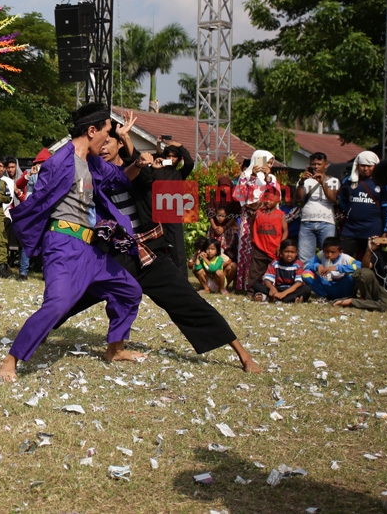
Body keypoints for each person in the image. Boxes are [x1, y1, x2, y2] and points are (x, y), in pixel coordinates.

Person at [39, 113, 261, 375]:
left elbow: (144, 176)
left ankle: (242, 354)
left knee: (189, 301)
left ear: (120, 143)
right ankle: (42, 332)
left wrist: (133, 149)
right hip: (117, 256)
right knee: (76, 294)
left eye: (110, 141)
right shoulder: (94, 175)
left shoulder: (144, 172)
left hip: (151, 255)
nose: (104, 147)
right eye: (103, 142)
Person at [0, 103, 146, 381]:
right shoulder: (58, 163)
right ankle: (11, 358)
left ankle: (115, 349)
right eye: (106, 133)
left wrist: (136, 160)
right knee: (57, 305)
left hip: (91, 249)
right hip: (64, 245)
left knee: (129, 291)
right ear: (91, 131)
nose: (106, 141)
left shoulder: (92, 162)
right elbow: (40, 203)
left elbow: (120, 179)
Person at [234, 150, 279, 294]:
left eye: (271, 163)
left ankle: (258, 286)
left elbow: (275, 197)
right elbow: (238, 196)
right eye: (267, 162)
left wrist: (266, 178)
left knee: (260, 251)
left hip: (265, 219)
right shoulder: (245, 175)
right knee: (245, 251)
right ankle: (242, 285)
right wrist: (252, 177)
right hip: (248, 217)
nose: (269, 165)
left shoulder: (271, 178)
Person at [152, 141, 194, 276]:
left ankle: (182, 278)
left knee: (178, 248)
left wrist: (180, 145)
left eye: (174, 156)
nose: (171, 159)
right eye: (168, 156)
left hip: (174, 214)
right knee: (158, 246)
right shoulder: (156, 170)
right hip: (157, 213)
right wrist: (156, 163)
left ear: (178, 158)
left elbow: (190, 163)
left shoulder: (179, 174)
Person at [338, 151, 387, 260]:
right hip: (350, 230)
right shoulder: (348, 181)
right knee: (343, 262)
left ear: (376, 166)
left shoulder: (383, 182)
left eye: (369, 166)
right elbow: (341, 199)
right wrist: (350, 212)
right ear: (357, 165)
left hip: (373, 231)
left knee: (372, 264)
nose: (365, 169)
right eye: (363, 165)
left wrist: (385, 231)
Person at [295, 152, 340, 264]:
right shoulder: (305, 180)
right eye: (313, 164)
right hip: (307, 222)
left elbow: (333, 198)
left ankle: (327, 279)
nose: (316, 166)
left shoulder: (333, 181)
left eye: (319, 164)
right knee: (305, 257)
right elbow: (298, 198)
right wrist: (301, 182)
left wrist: (322, 182)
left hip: (327, 222)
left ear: (326, 165)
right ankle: (306, 280)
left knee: (328, 255)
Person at [15, 148, 51, 281]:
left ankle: (28, 273)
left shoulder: (45, 176)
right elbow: (20, 186)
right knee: (36, 243)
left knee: (40, 243)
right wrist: (29, 174)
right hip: (41, 212)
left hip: (40, 212)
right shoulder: (33, 175)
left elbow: (29, 197)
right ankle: (28, 272)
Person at [248, 186, 287, 300]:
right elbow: (251, 224)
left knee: (274, 274)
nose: (268, 201)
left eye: (271, 199)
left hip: (275, 249)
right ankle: (251, 292)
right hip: (259, 248)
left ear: (278, 200)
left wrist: (281, 244)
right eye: (266, 198)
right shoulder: (258, 212)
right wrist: (253, 238)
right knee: (255, 272)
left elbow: (285, 231)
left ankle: (275, 292)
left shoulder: (281, 214)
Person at [334, 235, 387, 311]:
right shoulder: (380, 255)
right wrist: (369, 249)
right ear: (386, 240)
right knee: (363, 273)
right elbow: (365, 267)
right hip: (381, 291)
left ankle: (354, 302)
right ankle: (368, 301)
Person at [252, 239, 308, 303]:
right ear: (281, 252)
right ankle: (289, 299)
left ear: (296, 253)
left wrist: (283, 294)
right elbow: (267, 280)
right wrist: (272, 288)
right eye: (286, 252)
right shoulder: (275, 263)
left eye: (292, 252)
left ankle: (273, 298)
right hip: (277, 288)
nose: (289, 254)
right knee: (257, 285)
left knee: (306, 289)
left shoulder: (298, 264)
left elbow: (298, 283)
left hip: (291, 289)